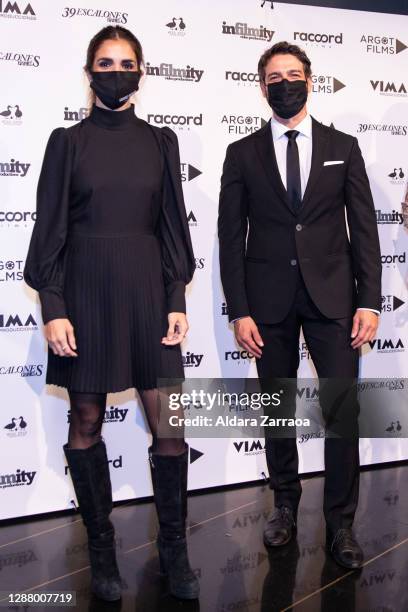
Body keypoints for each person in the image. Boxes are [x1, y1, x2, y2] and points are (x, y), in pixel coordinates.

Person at [24, 25, 199, 601]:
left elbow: (173, 226)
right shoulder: (66, 141)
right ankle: (101, 549)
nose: (115, 71)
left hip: (149, 292)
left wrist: (176, 298)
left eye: (126, 63)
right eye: (105, 62)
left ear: (141, 72)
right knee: (86, 422)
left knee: (169, 426)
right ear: (89, 71)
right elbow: (49, 230)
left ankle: (174, 547)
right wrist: (54, 307)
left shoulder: (161, 141)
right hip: (88, 292)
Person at [218, 41, 381, 569]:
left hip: (334, 299)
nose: (285, 83)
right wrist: (239, 309)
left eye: (294, 74)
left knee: (342, 415)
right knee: (278, 412)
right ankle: (285, 505)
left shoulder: (344, 146)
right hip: (267, 304)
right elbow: (229, 237)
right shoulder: (241, 153)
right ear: (261, 87)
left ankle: (341, 525)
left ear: (310, 80)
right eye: (274, 76)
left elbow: (365, 230)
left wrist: (370, 302)